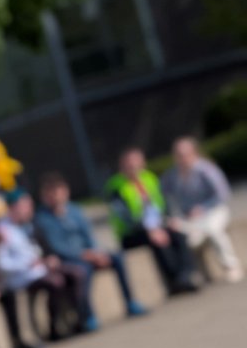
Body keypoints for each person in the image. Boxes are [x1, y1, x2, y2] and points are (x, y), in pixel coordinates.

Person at [35, 172, 148, 332]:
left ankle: (130, 302)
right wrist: (85, 255)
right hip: (68, 259)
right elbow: (57, 247)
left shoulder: (75, 211)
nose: (56, 197)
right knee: (83, 271)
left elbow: (88, 236)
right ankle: (88, 316)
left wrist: (96, 253)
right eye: (51, 193)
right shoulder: (43, 219)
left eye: (58, 191)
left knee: (117, 258)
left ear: (65, 191)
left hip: (88, 254)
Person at [0, 191, 86, 341]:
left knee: (76, 273)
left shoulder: (27, 224)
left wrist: (48, 258)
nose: (29, 210)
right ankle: (54, 327)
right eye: (25, 206)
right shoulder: (1, 230)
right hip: (21, 277)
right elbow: (1, 262)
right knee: (56, 282)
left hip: (38, 269)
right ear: (13, 207)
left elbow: (37, 248)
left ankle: (79, 318)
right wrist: (27, 264)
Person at [106, 148, 199, 294]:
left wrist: (169, 220)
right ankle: (176, 280)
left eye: (137, 163)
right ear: (122, 166)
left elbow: (163, 203)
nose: (134, 167)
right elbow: (124, 217)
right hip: (132, 233)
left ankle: (188, 274)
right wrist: (149, 230)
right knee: (157, 242)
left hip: (157, 225)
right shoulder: (116, 187)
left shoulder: (150, 178)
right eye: (129, 164)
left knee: (178, 234)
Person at [161, 137, 242, 283]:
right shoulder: (171, 176)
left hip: (214, 210)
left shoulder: (206, 169)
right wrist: (173, 216)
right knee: (189, 241)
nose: (182, 158)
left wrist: (203, 207)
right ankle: (198, 273)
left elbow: (223, 193)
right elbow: (165, 199)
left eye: (185, 154)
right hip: (190, 217)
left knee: (213, 230)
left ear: (194, 153)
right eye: (178, 155)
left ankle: (231, 266)